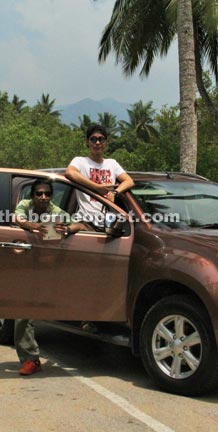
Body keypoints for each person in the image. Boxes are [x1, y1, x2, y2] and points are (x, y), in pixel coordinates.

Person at [65, 124, 134, 332]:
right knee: (84, 273)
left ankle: (99, 316)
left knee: (102, 276)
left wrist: (115, 193)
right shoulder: (80, 161)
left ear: (106, 142)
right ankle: (82, 316)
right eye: (93, 139)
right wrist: (97, 189)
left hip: (107, 227)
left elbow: (129, 181)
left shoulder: (112, 164)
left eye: (101, 139)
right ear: (87, 141)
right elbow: (69, 173)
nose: (97, 143)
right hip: (85, 223)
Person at [12, 179, 85, 375]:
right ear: (32, 196)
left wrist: (68, 229)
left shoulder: (56, 212)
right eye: (39, 193)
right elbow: (16, 219)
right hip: (25, 264)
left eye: (47, 193)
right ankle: (30, 359)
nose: (43, 197)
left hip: (52, 265)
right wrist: (32, 226)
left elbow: (81, 225)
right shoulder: (25, 206)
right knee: (22, 311)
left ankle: (90, 326)